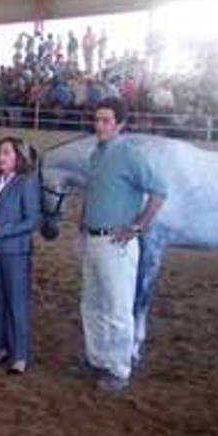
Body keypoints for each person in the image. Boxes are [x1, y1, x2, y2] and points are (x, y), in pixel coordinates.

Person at [77, 97, 166, 391]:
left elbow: (159, 191)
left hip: (117, 242)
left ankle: (119, 367)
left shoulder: (130, 153)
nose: (99, 125)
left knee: (117, 305)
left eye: (106, 121)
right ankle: (97, 358)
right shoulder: (97, 154)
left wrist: (138, 226)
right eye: (97, 119)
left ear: (120, 124)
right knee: (92, 303)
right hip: (93, 238)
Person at [0, 137, 41, 375]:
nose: (0, 158)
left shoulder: (25, 183)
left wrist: (1, 231)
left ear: (18, 158)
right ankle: (1, 346)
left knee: (16, 301)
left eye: (6, 153)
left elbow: (33, 220)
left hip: (15, 250)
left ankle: (20, 355)